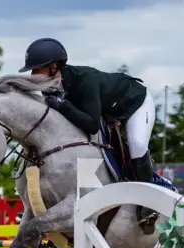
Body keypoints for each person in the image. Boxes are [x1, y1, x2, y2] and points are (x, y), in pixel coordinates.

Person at [18, 37, 169, 229]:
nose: (33, 74)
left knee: (137, 144)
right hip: (107, 110)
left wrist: (63, 106)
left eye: (37, 69)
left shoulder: (85, 81)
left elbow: (91, 125)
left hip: (135, 102)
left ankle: (150, 205)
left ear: (54, 66)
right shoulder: (52, 87)